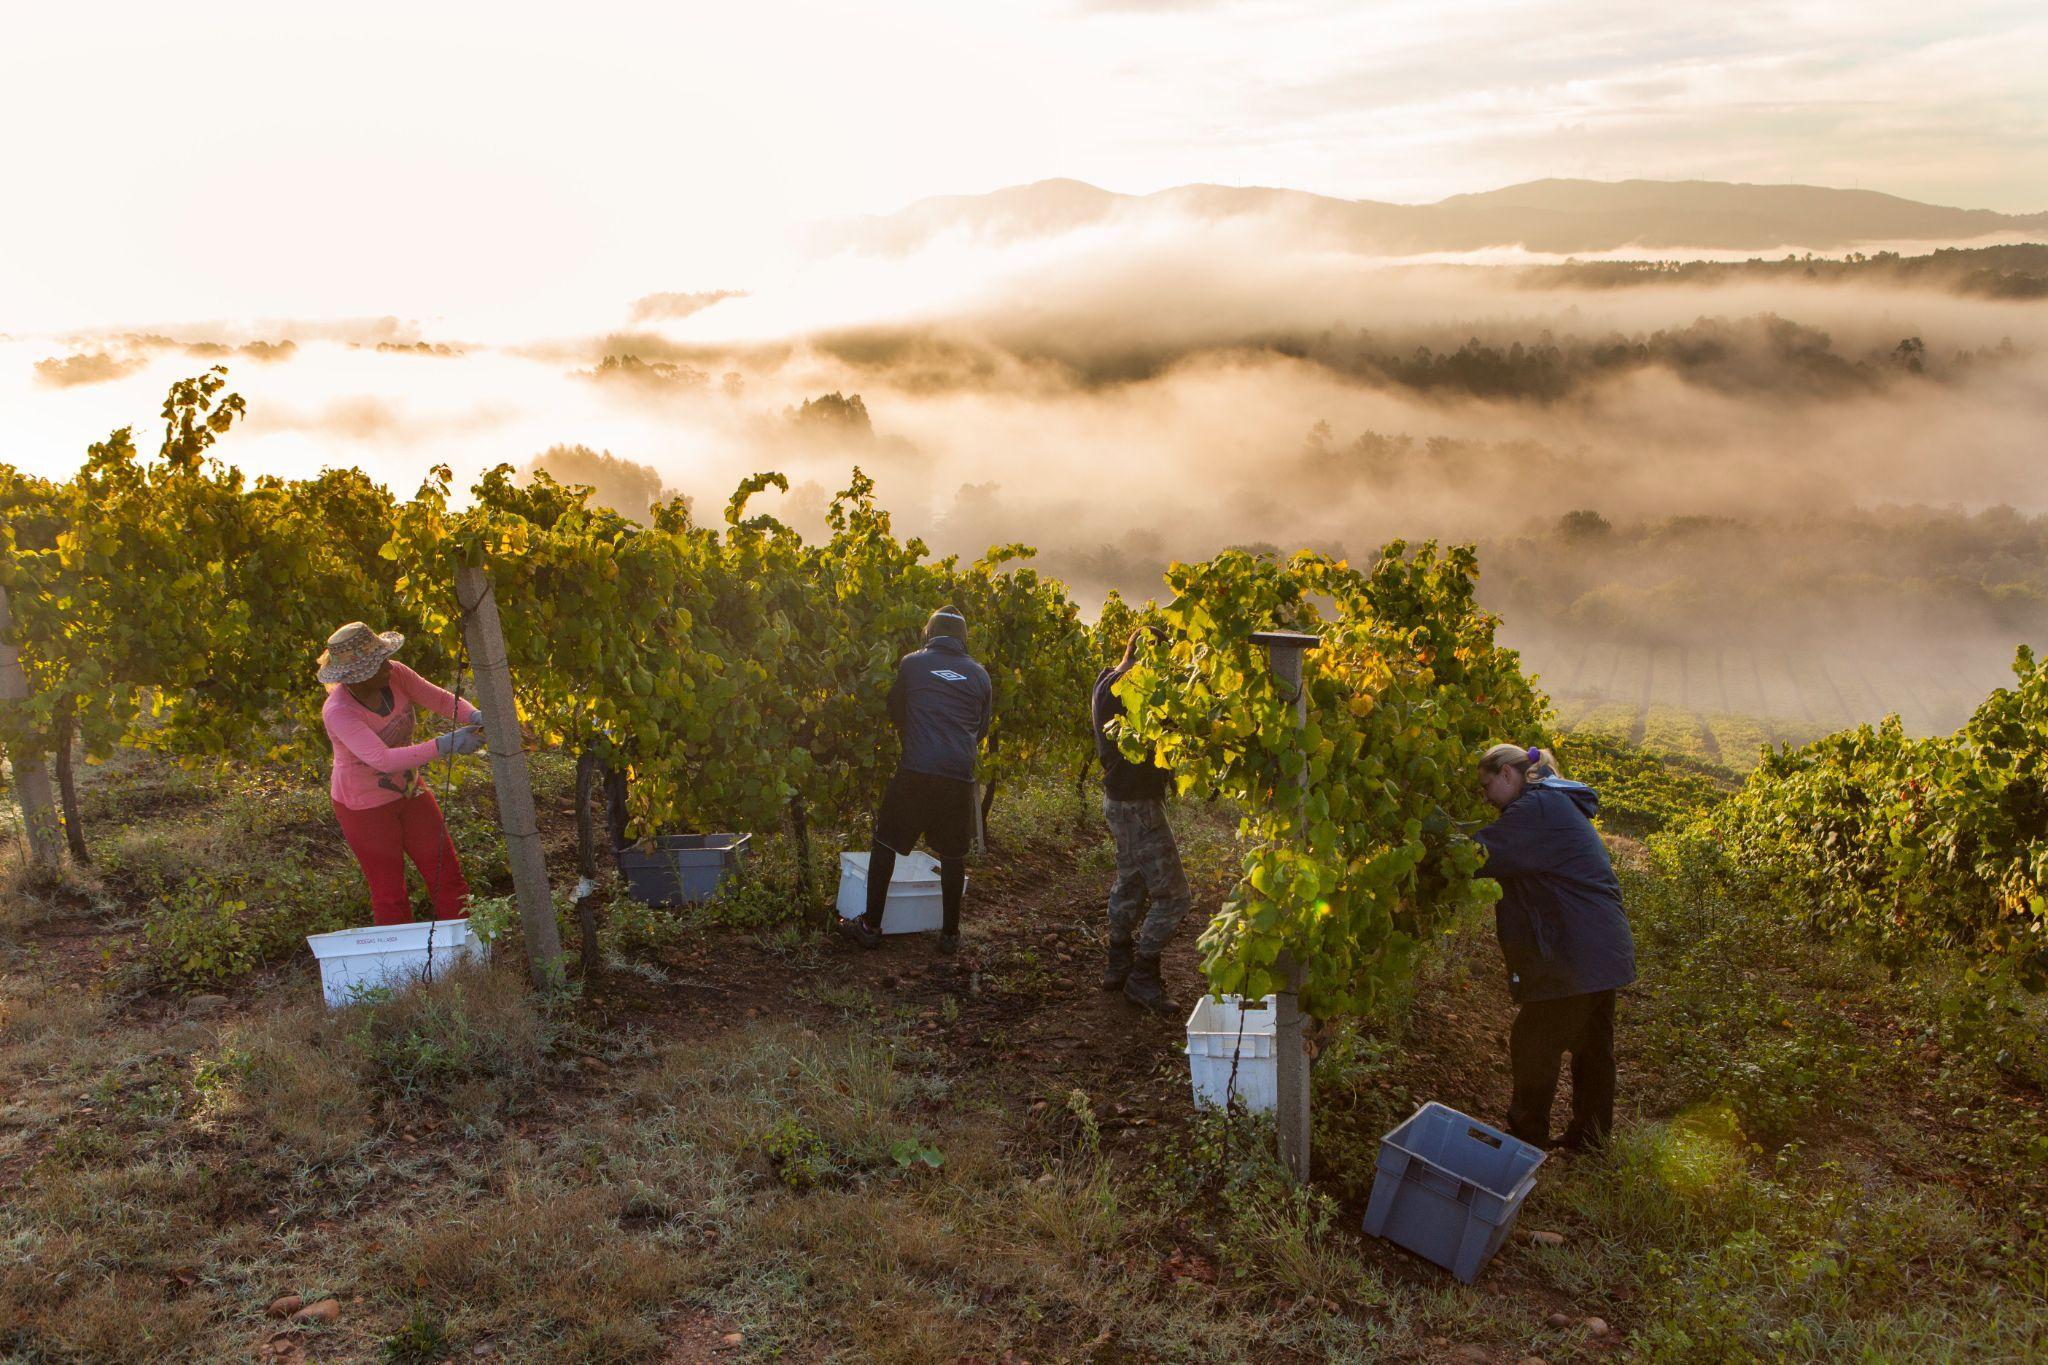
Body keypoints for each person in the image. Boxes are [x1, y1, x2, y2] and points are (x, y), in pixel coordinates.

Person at [1473, 743, 1637, 1151]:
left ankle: (1525, 1141)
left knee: (1533, 1041)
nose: (1486, 797)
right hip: (1601, 946)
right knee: (1592, 1047)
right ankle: (1591, 1141)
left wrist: (1423, 844)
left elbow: (1479, 854)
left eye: (1486, 785)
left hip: (1577, 950)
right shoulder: (1552, 802)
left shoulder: (1537, 809)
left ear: (1507, 774)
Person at [840, 606, 992, 954]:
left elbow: (896, 710)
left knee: (885, 843)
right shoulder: (981, 675)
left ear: (929, 633)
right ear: (963, 638)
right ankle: (950, 936)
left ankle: (870, 927)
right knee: (952, 855)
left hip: (916, 771)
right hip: (958, 777)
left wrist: (920, 735)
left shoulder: (912, 664)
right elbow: (980, 729)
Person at [319, 621, 486, 927]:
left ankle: (469, 948)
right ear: (356, 678)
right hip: (364, 807)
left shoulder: (395, 674)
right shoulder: (339, 711)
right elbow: (382, 760)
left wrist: (474, 715)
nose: (388, 666)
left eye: (384, 658)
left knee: (446, 874)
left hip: (410, 790)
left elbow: (440, 699)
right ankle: (400, 958)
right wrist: (445, 744)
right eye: (377, 664)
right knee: (389, 893)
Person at [1092, 626, 1191, 1014]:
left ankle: (1118, 963)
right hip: (1138, 806)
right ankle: (1143, 977)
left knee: (1131, 880)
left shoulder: (1105, 682)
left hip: (1118, 801)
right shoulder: (1136, 688)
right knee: (1175, 896)